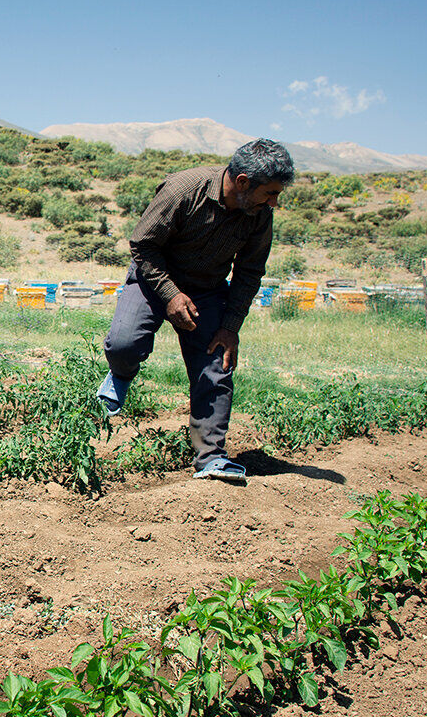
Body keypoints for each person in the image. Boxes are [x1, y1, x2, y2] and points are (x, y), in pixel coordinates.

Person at [97, 138, 294, 482]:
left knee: (216, 366)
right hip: (154, 277)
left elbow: (249, 272)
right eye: (270, 193)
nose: (274, 202)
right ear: (243, 182)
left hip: (207, 291)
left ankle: (211, 458)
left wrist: (230, 326)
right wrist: (171, 295)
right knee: (124, 344)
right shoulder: (183, 190)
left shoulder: (258, 215)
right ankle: (121, 375)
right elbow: (142, 246)